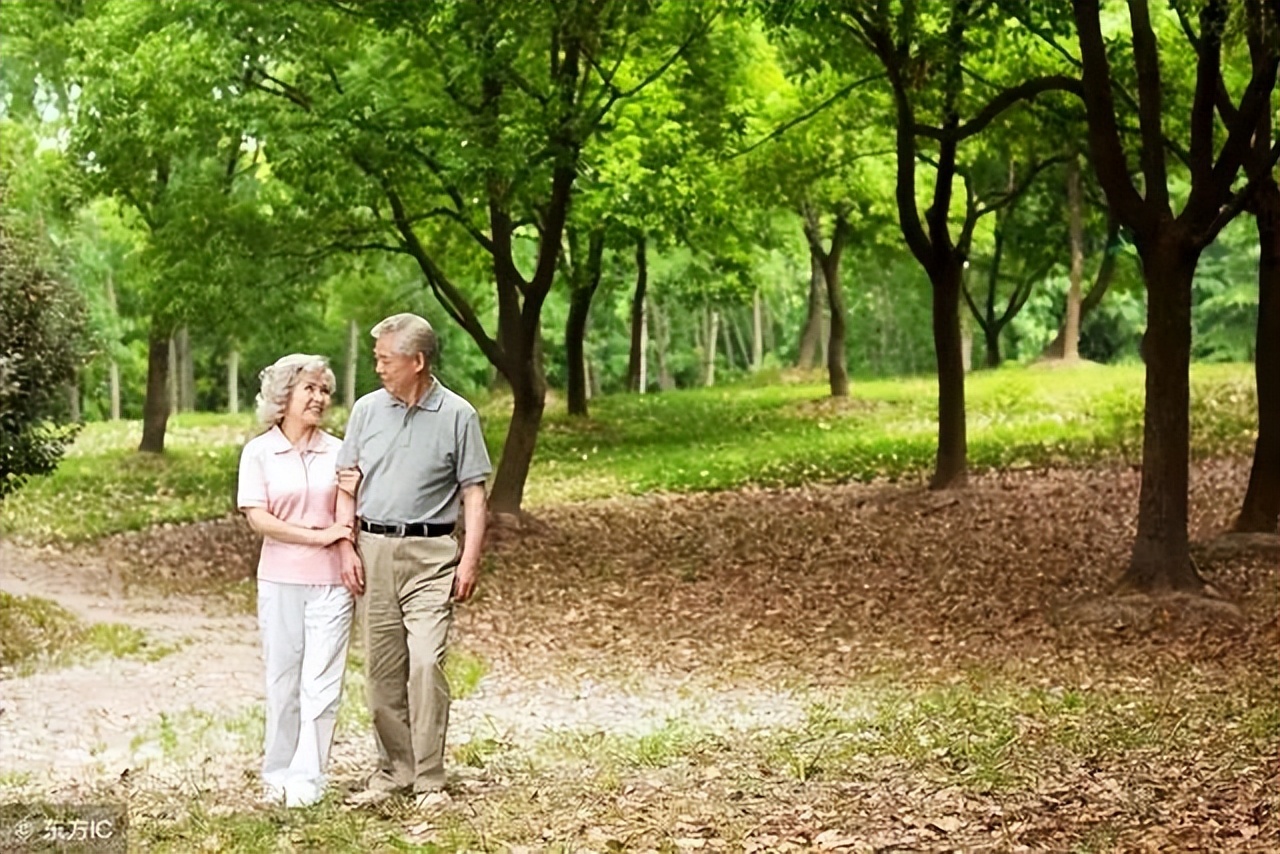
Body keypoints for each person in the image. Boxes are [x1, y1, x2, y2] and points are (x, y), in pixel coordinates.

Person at [335, 312, 491, 806]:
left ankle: (429, 778)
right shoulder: (365, 411)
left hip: (432, 555)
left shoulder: (458, 415)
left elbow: (474, 493)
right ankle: (394, 769)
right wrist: (346, 543)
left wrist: (469, 560)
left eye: (386, 358)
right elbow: (347, 481)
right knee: (381, 671)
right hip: (374, 550)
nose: (378, 367)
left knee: (426, 663)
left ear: (417, 361)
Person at [237, 354, 354, 808]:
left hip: (332, 584)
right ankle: (278, 773)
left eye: (325, 390)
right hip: (280, 580)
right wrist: (318, 535)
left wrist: (338, 540)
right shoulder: (259, 452)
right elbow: (259, 520)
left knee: (322, 683)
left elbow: (348, 510)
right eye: (310, 388)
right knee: (283, 681)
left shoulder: (341, 450)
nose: (320, 397)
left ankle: (308, 779)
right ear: (284, 395)